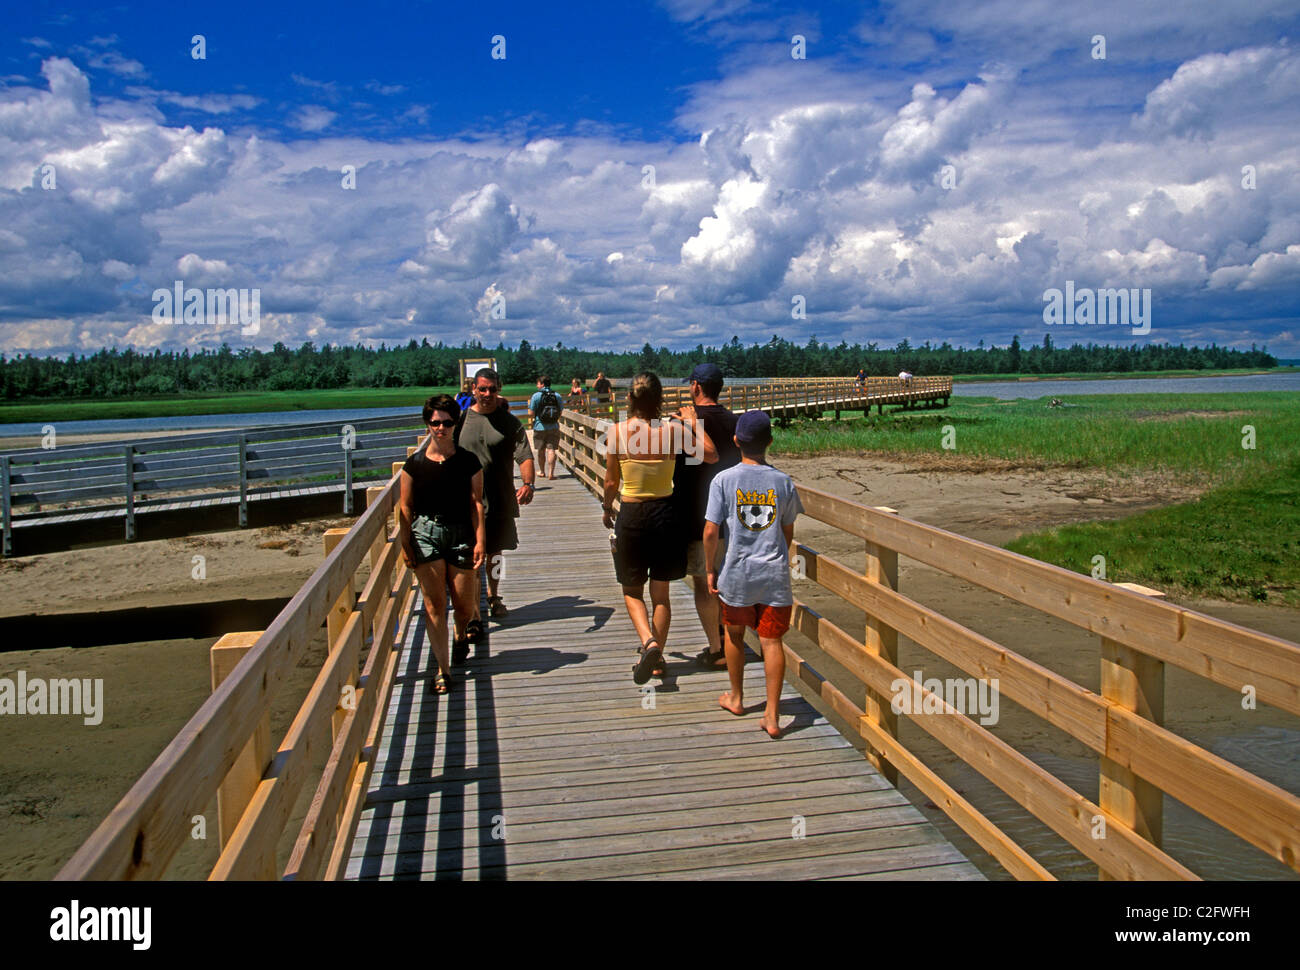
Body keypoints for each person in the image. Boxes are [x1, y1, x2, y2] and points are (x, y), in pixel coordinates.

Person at [602, 372, 716, 684]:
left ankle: (648, 643)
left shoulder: (617, 432)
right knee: (661, 595)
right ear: (659, 400)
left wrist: (604, 507)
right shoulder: (671, 430)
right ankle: (656, 660)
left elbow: (611, 482)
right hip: (667, 514)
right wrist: (693, 422)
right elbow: (710, 454)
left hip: (633, 514)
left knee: (630, 590)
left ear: (629, 400)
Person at [703, 410, 803, 739]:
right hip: (773, 574)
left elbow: (710, 531)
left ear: (735, 441)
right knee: (771, 641)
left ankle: (737, 697)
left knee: (733, 634)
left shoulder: (723, 480)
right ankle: (772, 716)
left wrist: (709, 569)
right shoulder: (784, 481)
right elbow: (787, 531)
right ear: (770, 442)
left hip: (737, 572)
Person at [398, 394, 486, 694]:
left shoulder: (468, 462)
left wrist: (480, 540)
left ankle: (461, 636)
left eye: (447, 423)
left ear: (455, 423)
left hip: (461, 533)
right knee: (434, 605)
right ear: (427, 424)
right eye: (435, 423)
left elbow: (476, 503)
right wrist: (405, 542)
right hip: (426, 533)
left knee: (462, 606)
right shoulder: (414, 465)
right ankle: (442, 670)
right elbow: (406, 506)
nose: (441, 428)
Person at [671, 363, 741, 670]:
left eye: (690, 385)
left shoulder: (686, 421)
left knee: (704, 583)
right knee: (726, 580)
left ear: (697, 386)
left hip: (696, 514)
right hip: (732, 515)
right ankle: (731, 639)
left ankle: (717, 649)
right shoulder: (735, 421)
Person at [455, 367, 536, 626]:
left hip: (499, 498)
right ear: (474, 390)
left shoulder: (509, 423)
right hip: (466, 500)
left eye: (492, 389)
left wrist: (528, 484)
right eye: (482, 389)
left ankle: (494, 594)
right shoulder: (460, 420)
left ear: (498, 389)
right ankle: (474, 608)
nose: (487, 394)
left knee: (496, 553)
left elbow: (524, 455)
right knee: (470, 553)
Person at [528, 375, 564, 481]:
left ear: (542, 384)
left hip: (539, 426)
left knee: (541, 450)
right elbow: (561, 411)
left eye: (538, 383)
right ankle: (551, 473)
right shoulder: (557, 395)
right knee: (551, 449)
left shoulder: (536, 396)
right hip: (553, 426)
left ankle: (542, 471)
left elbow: (531, 413)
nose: (537, 385)